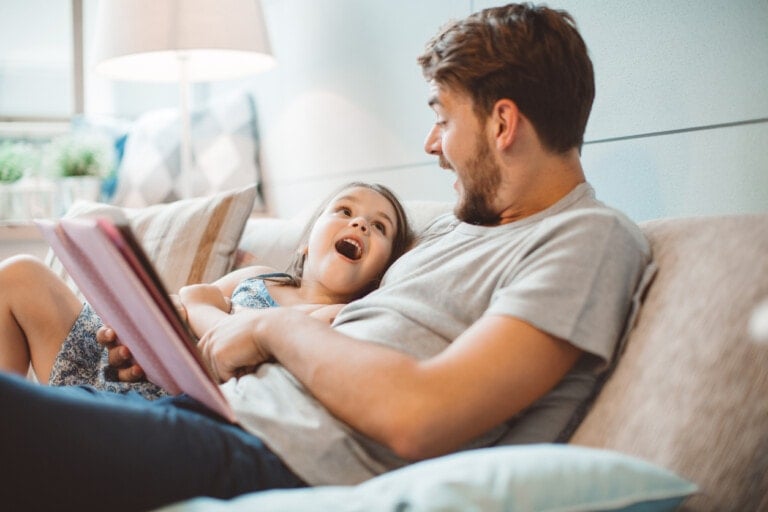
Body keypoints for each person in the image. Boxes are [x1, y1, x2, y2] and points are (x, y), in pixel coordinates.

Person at [0, 4, 653, 511]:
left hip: (271, 457)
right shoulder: (463, 229)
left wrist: (264, 327)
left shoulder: (588, 240)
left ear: (503, 124)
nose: (432, 143)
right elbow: (341, 324)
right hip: (216, 413)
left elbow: (419, 416)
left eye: (444, 119)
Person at [0, 181, 412, 400]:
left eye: (379, 227)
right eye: (344, 210)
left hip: (168, 406)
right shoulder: (262, 276)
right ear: (305, 241)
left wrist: (203, 307)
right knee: (19, 274)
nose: (359, 224)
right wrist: (133, 333)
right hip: (126, 368)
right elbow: (189, 298)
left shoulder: (340, 319)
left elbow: (209, 306)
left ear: (380, 274)